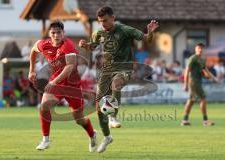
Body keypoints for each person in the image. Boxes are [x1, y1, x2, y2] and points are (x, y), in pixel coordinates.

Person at [79, 6, 159, 153]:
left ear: (113, 18)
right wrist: (86, 45)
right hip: (106, 70)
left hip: (124, 68)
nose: (103, 23)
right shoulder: (98, 33)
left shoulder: (125, 30)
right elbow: (93, 46)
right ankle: (107, 137)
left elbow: (147, 39)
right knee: (98, 109)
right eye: (100, 21)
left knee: (117, 84)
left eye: (105, 20)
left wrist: (151, 32)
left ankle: (113, 117)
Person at [28, 21, 97, 152]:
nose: (56, 35)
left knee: (79, 119)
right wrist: (31, 70)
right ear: (49, 34)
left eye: (58, 32)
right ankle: (45, 139)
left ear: (63, 33)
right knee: (45, 106)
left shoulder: (68, 45)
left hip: (72, 86)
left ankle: (93, 135)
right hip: (56, 83)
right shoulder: (43, 44)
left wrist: (54, 82)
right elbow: (33, 50)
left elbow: (70, 67)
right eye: (53, 33)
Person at [181, 43, 219, 126]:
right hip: (193, 81)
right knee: (203, 98)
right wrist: (185, 84)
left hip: (198, 81)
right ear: (195, 49)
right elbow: (187, 71)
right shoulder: (193, 58)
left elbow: (205, 70)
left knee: (191, 101)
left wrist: (213, 78)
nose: (200, 49)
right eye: (198, 48)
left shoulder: (202, 59)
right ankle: (205, 120)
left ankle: (184, 120)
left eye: (201, 48)